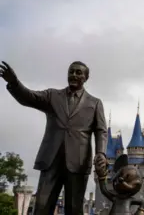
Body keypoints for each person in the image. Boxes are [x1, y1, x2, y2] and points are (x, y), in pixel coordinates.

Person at [0, 61, 107, 215]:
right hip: (51, 161)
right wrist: (14, 82)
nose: (74, 75)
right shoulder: (52, 96)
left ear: (86, 77)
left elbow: (101, 130)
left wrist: (101, 153)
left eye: (78, 72)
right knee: (41, 207)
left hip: (78, 163)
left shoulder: (95, 103)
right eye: (71, 71)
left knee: (74, 209)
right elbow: (29, 97)